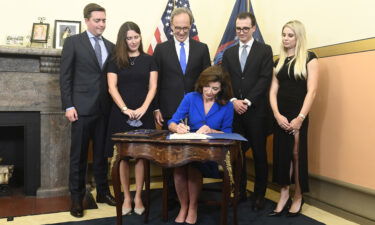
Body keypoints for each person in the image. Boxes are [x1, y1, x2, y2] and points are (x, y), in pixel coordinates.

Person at [60, 3, 116, 218]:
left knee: (102, 155)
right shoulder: (73, 42)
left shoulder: (111, 46)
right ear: (86, 20)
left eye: (104, 20)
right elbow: (65, 77)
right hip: (80, 109)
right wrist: (68, 105)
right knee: (79, 157)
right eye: (97, 20)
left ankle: (103, 192)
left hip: (104, 110)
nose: (101, 24)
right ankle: (76, 198)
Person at [153, 7, 211, 209]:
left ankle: (193, 201)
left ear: (191, 26)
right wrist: (156, 108)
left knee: (194, 157)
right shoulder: (161, 49)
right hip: (170, 109)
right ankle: (172, 198)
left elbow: (208, 81)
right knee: (171, 157)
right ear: (171, 26)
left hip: (196, 111)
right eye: (177, 28)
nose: (181, 31)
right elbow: (156, 82)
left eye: (185, 28)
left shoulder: (202, 48)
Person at [168, 65, 234, 225]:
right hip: (188, 149)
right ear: (202, 83)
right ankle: (183, 207)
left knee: (192, 166)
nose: (209, 91)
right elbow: (171, 121)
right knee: (178, 168)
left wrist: (212, 130)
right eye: (207, 86)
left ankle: (193, 207)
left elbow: (228, 134)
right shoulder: (191, 97)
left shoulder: (227, 105)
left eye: (215, 88)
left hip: (212, 153)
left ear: (222, 89)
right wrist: (178, 127)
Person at [222, 12, 273, 211]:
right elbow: (225, 80)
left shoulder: (264, 50)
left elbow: (264, 78)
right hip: (235, 112)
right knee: (237, 155)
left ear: (253, 28)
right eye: (238, 29)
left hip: (257, 112)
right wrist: (234, 101)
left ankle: (259, 194)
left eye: (245, 28)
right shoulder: (228, 53)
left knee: (260, 155)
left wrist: (248, 101)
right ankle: (240, 191)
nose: (241, 32)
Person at [105, 21, 158, 216]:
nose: (133, 41)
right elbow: (112, 88)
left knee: (141, 156)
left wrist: (144, 108)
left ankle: (138, 197)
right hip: (121, 114)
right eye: (129, 38)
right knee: (123, 157)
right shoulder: (114, 61)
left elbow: (153, 87)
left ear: (140, 37)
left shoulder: (150, 60)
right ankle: (126, 196)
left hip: (144, 114)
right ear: (123, 40)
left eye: (136, 37)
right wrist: (125, 109)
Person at [268, 20, 318, 217]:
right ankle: (283, 193)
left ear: (299, 37)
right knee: (281, 154)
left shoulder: (309, 58)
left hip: (299, 113)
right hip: (281, 115)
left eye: (290, 35)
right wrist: (277, 114)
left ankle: (298, 195)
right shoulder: (277, 62)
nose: (286, 38)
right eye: (284, 35)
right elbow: (272, 91)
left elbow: (312, 91)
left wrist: (300, 117)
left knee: (296, 154)